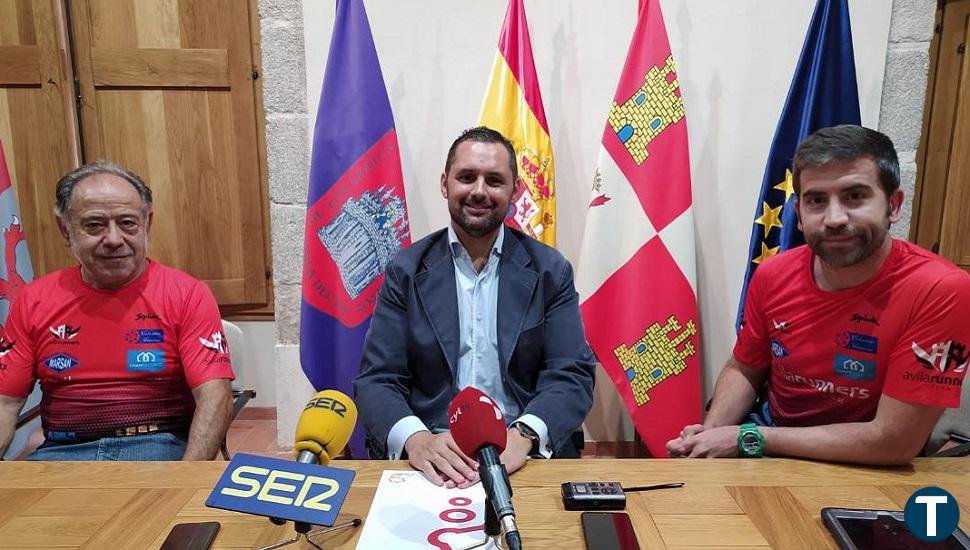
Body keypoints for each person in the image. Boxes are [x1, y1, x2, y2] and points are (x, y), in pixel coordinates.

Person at [667, 125, 970, 465]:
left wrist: (748, 438)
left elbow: (894, 443)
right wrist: (711, 435)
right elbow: (744, 368)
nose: (835, 218)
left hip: (871, 467)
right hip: (767, 448)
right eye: (816, 200)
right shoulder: (772, 274)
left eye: (855, 196)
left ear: (894, 205)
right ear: (798, 214)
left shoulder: (943, 288)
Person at [354, 127, 596, 487]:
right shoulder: (405, 270)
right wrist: (416, 440)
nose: (479, 191)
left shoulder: (549, 270)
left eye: (494, 180)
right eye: (467, 177)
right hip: (434, 453)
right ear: (445, 184)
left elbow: (571, 374)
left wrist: (524, 435)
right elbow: (378, 379)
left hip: (522, 454)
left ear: (514, 190)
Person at [0, 162, 234, 460]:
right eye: (94, 225)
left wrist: (185, 481)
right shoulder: (32, 299)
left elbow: (215, 396)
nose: (113, 239)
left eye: (127, 223)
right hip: (63, 452)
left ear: (146, 224)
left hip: (157, 446)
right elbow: (5, 404)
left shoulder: (188, 294)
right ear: (65, 229)